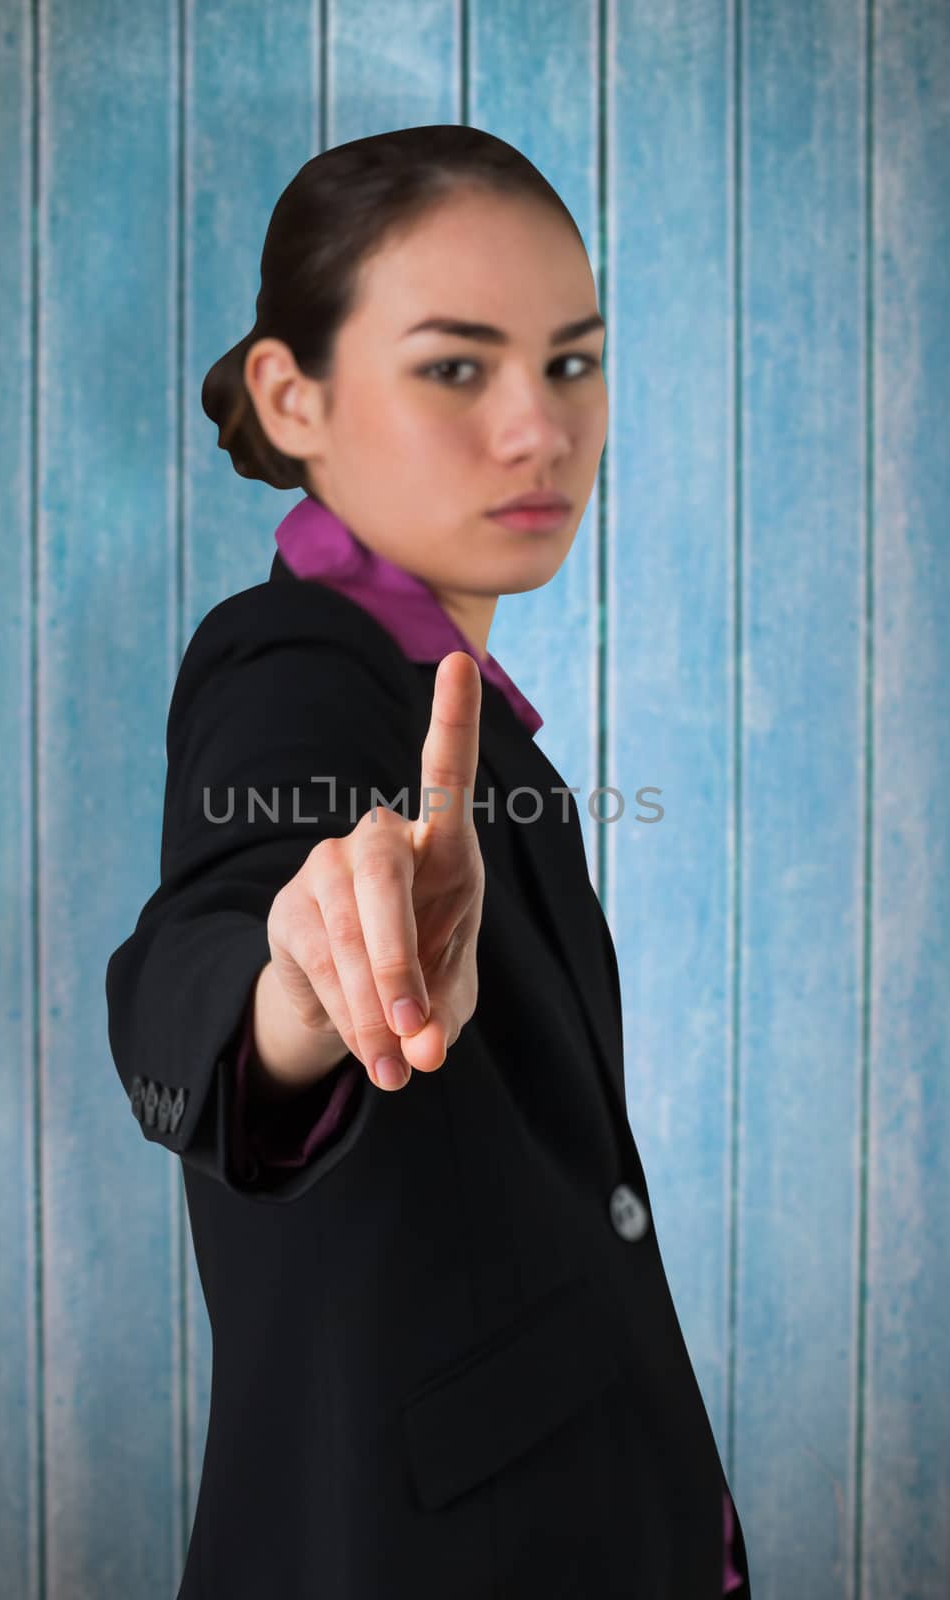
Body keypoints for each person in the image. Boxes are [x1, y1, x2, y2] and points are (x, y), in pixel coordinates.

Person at [105, 123, 751, 1600]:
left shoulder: (447, 705)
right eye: (455, 367)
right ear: (294, 394)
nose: (539, 429)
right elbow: (211, 947)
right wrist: (294, 992)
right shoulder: (290, 669)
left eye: (571, 363)